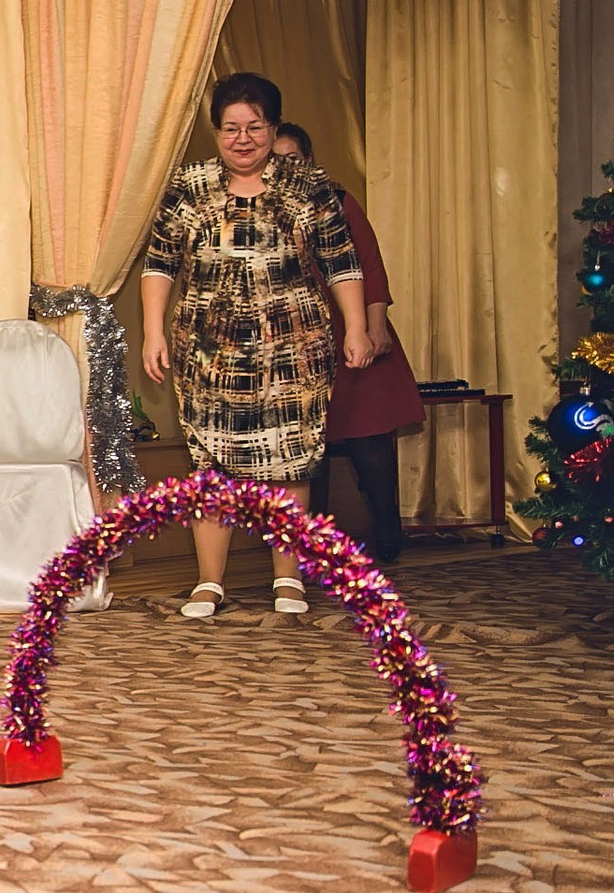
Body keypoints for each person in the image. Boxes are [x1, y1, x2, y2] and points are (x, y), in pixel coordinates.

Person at [141, 73, 372, 618]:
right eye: (230, 129)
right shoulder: (190, 185)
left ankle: (287, 580)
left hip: (293, 345)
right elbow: (160, 263)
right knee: (211, 463)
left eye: (255, 127)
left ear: (273, 127)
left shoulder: (308, 184)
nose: (242, 139)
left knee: (290, 463)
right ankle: (209, 582)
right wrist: (154, 330)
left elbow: (342, 262)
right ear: (216, 131)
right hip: (207, 351)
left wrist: (357, 326)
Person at [273, 124, 422, 563]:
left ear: (310, 160)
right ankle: (309, 543)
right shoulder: (257, 210)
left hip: (350, 331)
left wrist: (376, 328)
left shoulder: (336, 201)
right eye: (276, 160)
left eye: (293, 159)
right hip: (295, 343)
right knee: (306, 448)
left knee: (368, 440)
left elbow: (370, 267)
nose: (286, 169)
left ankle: (388, 529)